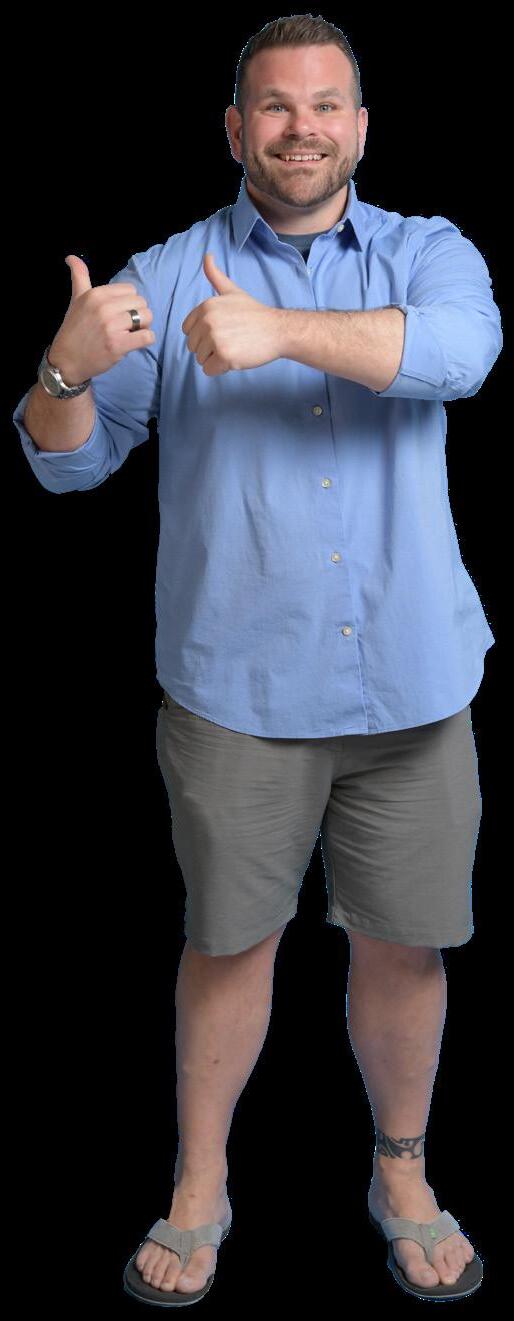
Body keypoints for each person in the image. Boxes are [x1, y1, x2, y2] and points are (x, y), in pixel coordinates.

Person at [14, 14, 500, 1306]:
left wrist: (278, 332)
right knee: (229, 945)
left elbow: (459, 357)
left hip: (411, 687)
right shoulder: (166, 273)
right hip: (237, 695)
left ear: (360, 126)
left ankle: (401, 1171)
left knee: (405, 945)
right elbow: (68, 464)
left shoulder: (428, 252)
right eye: (275, 106)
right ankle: (200, 1183)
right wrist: (62, 369)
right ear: (235, 130)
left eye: (326, 105)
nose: (301, 128)